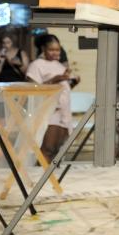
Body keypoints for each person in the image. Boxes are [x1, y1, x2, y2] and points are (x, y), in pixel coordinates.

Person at [25, 35, 79, 163]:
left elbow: (65, 87)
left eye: (58, 50)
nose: (55, 53)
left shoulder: (59, 66)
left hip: (63, 111)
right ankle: (44, 176)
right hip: (50, 112)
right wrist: (55, 80)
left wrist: (74, 82)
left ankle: (53, 178)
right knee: (47, 148)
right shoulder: (36, 65)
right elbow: (33, 89)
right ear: (43, 48)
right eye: (51, 49)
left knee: (57, 149)